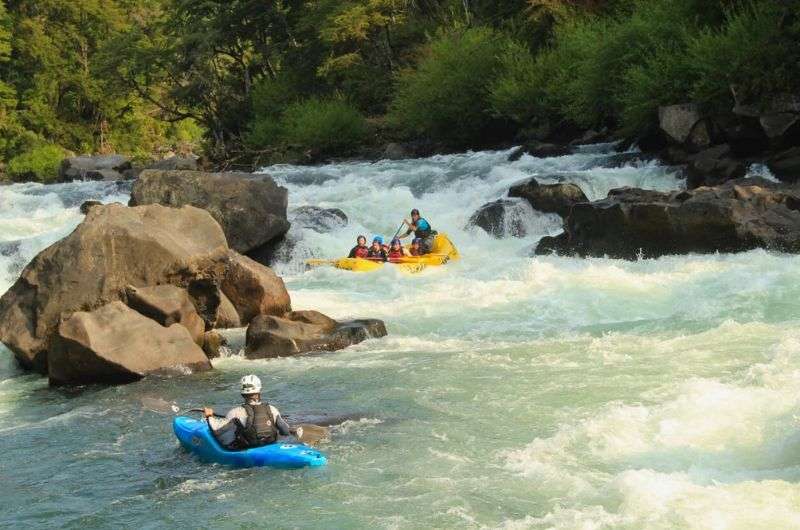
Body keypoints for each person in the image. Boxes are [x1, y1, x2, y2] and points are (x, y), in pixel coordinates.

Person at [203, 374, 300, 450]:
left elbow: (217, 431)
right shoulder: (272, 409)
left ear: (242, 393)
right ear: (259, 391)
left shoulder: (234, 413)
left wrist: (209, 416)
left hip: (248, 449)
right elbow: (285, 431)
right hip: (270, 446)